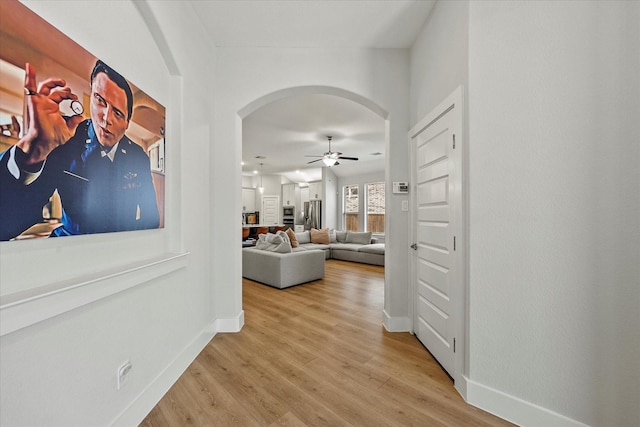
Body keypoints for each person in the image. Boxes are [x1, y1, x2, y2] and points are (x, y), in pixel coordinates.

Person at [0, 60, 159, 240]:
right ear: (91, 98)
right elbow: (7, 221)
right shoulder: (66, 140)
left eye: (118, 113)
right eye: (100, 101)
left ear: (127, 124)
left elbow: (150, 219)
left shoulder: (139, 157)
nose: (106, 118)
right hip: (68, 248)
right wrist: (32, 152)